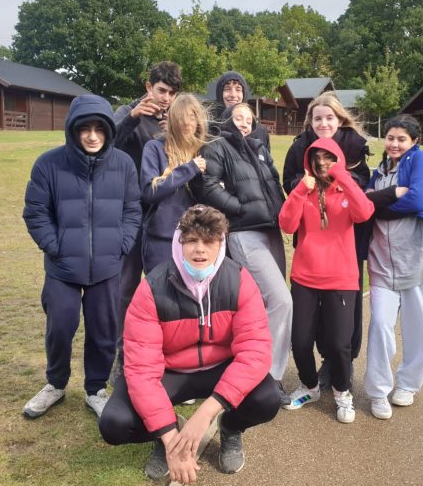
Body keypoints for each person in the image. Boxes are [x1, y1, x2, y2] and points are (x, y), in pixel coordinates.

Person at [98, 205, 280, 484]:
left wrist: (207, 413)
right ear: (178, 242)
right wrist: (171, 438)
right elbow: (142, 371)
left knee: (268, 398)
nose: (200, 250)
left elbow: (255, 352)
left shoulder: (239, 280)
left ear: (221, 244)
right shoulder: (152, 288)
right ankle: (163, 435)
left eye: (209, 241)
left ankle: (231, 428)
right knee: (114, 424)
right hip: (169, 373)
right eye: (192, 240)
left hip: (219, 368)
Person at [22, 94, 142, 419]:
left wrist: (121, 243)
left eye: (99, 129)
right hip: (62, 267)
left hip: (107, 266)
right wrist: (54, 245)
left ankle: (96, 389)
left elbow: (133, 210)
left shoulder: (123, 164)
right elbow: (35, 212)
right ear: (73, 131)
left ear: (108, 131)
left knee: (104, 331)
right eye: (84, 128)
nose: (92, 135)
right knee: (60, 325)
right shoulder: (49, 164)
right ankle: (55, 384)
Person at [191, 103, 292, 405]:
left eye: (249, 119)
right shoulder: (219, 147)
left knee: (263, 304)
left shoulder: (260, 149)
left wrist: (283, 213)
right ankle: (268, 378)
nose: (244, 123)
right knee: (281, 301)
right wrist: (240, 210)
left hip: (270, 230)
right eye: (239, 117)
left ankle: (252, 369)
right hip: (245, 233)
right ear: (227, 119)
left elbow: (274, 185)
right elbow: (207, 186)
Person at [279, 138, 377, 423]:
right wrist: (299, 190)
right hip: (305, 277)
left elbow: (365, 212)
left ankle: (342, 392)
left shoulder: (346, 189)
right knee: (299, 341)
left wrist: (343, 177)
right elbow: (286, 224)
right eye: (316, 158)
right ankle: (309, 387)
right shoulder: (304, 190)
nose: (322, 163)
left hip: (341, 278)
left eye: (328, 157)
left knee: (338, 344)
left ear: (338, 159)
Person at [364, 114, 423, 421]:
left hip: (420, 260)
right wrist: (378, 200)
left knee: (419, 329)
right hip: (383, 263)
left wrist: (379, 206)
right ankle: (377, 391)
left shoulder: (422, 162)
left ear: (415, 141)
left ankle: (409, 385)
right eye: (390, 138)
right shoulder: (380, 170)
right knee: (380, 326)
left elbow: (416, 201)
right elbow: (364, 204)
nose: (395, 144)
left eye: (402, 139)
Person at [282, 92, 371, 386]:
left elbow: (364, 199)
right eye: (318, 118)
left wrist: (341, 178)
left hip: (344, 240)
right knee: (305, 327)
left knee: (341, 327)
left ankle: (339, 370)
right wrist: (301, 187)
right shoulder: (300, 148)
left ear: (339, 118)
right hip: (310, 242)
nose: (323, 123)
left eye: (329, 117)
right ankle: (314, 379)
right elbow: (288, 188)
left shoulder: (354, 146)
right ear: (311, 121)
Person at [112, 61, 182, 376]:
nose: (166, 97)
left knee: (164, 289)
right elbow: (104, 142)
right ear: (148, 87)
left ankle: (162, 355)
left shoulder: (173, 120)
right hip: (130, 215)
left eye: (172, 92)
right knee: (124, 288)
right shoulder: (128, 112)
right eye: (161, 90)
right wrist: (131, 117)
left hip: (163, 219)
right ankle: (118, 355)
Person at [140, 93, 207, 274]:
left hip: (196, 240)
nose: (186, 123)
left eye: (192, 117)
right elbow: (149, 192)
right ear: (172, 120)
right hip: (161, 240)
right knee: (161, 297)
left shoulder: (204, 151)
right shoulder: (154, 148)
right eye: (181, 117)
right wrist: (188, 169)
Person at [209, 70, 270, 150]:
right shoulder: (211, 130)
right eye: (227, 89)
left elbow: (266, 161)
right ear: (220, 94)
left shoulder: (260, 132)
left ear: (244, 94)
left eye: (238, 90)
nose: (233, 95)